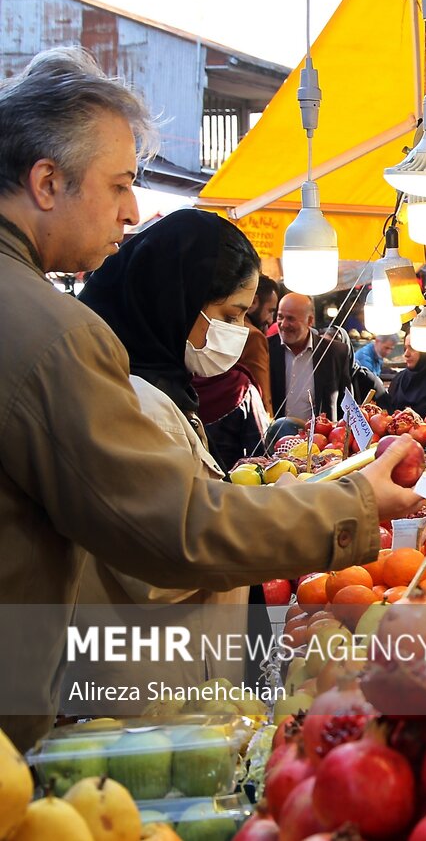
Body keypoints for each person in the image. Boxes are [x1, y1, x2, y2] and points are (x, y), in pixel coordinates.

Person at [0, 46, 423, 750]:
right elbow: (172, 524)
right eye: (120, 185)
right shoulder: (51, 337)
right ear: (47, 181)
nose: (132, 210)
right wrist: (353, 505)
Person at [77, 208, 262, 690]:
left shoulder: (165, 389)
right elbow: (162, 561)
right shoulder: (137, 403)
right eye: (229, 315)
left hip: (175, 666)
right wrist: (278, 518)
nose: (236, 333)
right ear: (176, 298)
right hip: (150, 684)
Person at [270, 292, 357, 421]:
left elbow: (346, 405)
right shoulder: (266, 349)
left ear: (309, 321)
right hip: (273, 438)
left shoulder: (335, 352)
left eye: (291, 318)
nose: (283, 324)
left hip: (319, 439)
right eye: (280, 317)